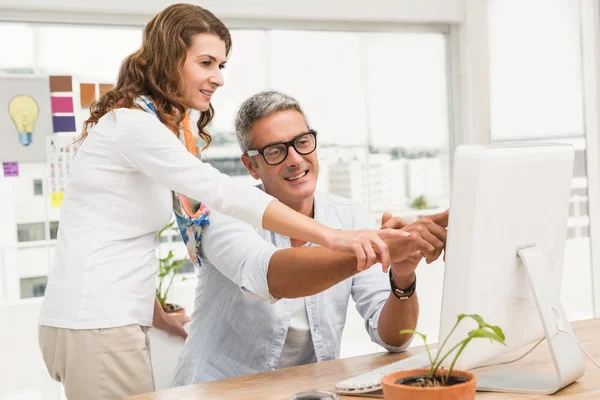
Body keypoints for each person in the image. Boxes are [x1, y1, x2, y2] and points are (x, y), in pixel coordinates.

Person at [37, 5, 407, 400]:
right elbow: (223, 194)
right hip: (97, 322)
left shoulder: (151, 129)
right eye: (206, 62)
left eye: (222, 64)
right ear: (169, 59)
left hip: (99, 318)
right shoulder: (134, 126)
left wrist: (157, 314)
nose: (218, 77)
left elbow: (110, 236)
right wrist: (335, 239)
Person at [172, 91, 448, 385]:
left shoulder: (349, 216)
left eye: (302, 142)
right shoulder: (224, 212)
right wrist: (383, 246)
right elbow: (270, 274)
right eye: (276, 151)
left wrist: (402, 276)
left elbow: (394, 339)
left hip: (306, 391)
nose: (295, 159)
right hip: (219, 390)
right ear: (252, 166)